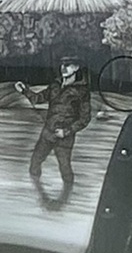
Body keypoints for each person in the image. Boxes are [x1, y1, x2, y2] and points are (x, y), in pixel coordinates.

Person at [16, 57, 92, 207]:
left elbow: (85, 118)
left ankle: (66, 201)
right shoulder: (55, 85)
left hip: (64, 138)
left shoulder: (82, 91)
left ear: (76, 67)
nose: (63, 67)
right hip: (47, 133)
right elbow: (38, 99)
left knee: (65, 169)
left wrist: (67, 131)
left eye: (68, 65)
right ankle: (37, 196)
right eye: (62, 64)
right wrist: (25, 90)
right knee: (34, 165)